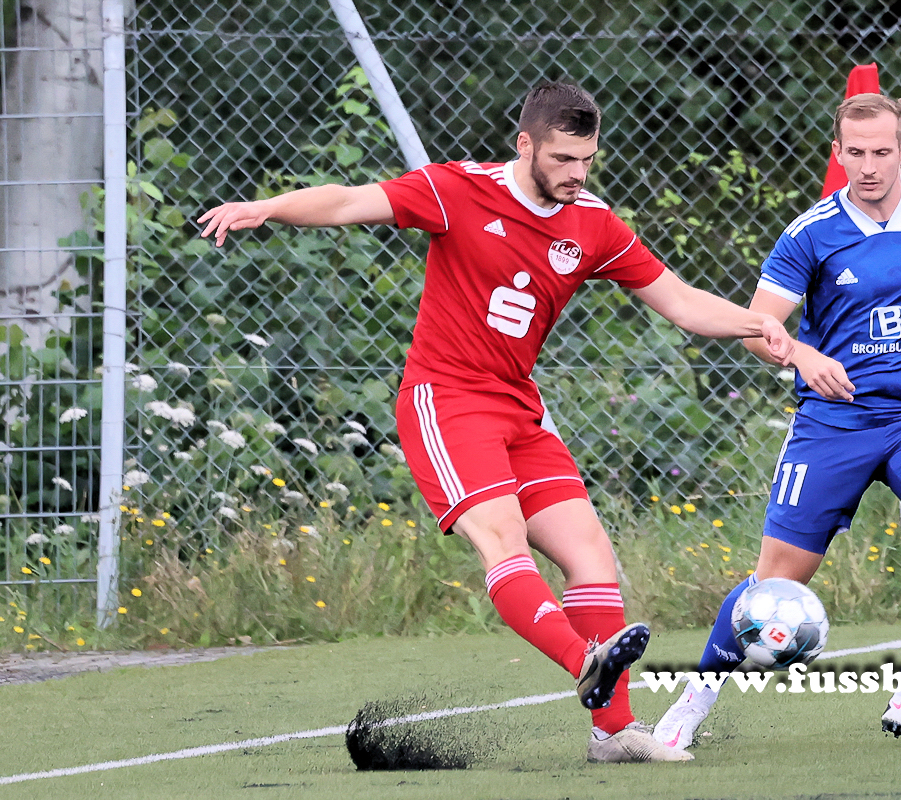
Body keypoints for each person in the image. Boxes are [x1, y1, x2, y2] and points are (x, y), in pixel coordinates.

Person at [198, 80, 795, 763]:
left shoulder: (593, 224)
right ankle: (584, 663)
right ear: (525, 145)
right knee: (504, 539)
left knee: (591, 556)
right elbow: (347, 201)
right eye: (563, 158)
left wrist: (765, 328)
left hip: (519, 408)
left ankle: (613, 735)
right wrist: (267, 208)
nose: (577, 173)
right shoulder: (457, 189)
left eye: (587, 160)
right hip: (447, 401)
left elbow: (683, 304)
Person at [653, 92, 901, 750]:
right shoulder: (811, 233)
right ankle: (694, 699)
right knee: (774, 580)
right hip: (833, 423)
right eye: (855, 152)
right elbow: (758, 325)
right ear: (838, 153)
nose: (869, 166)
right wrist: (801, 353)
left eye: (882, 151)